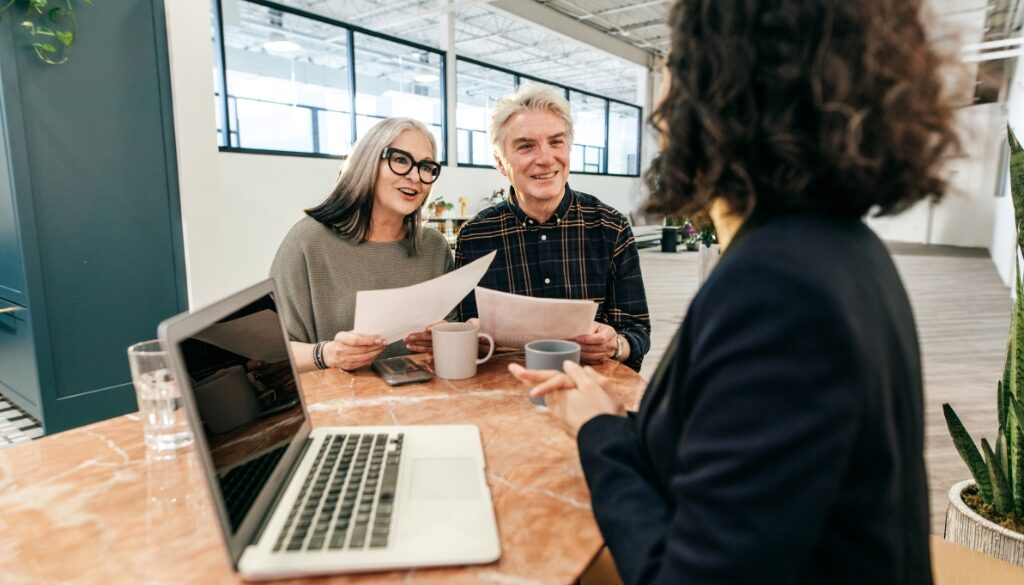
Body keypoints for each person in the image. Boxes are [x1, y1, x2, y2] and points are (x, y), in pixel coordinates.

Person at [512, 1, 959, 583]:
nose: (662, 113)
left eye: (676, 69)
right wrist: (608, 420)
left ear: (719, 92)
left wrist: (599, 434)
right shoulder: (841, 248)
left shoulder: (778, 289)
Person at [454, 85, 651, 372]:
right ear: (500, 162)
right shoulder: (476, 236)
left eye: (556, 142)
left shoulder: (610, 227)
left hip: (591, 394)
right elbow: (468, 334)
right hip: (507, 395)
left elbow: (637, 332)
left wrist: (616, 345)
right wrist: (472, 339)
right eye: (526, 146)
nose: (546, 159)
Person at [270, 117, 452, 372]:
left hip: (426, 401)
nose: (415, 176)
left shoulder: (434, 248)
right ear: (367, 162)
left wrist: (444, 340)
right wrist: (327, 354)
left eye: (426, 166)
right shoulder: (308, 241)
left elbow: (452, 329)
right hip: (340, 406)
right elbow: (270, 356)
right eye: (400, 159)